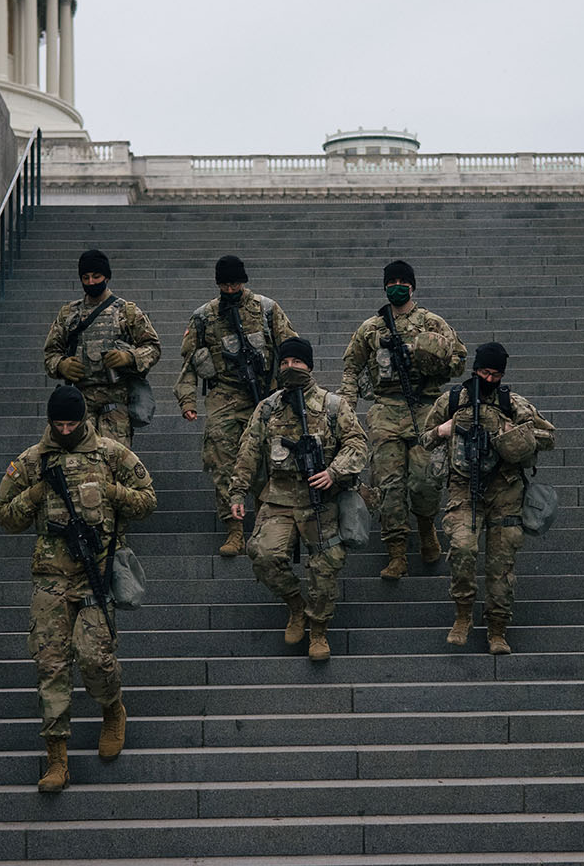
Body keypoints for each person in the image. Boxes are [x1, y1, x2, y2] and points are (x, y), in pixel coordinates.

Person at [0, 385, 157, 793]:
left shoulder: (111, 453)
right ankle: (56, 759)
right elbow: (3, 516)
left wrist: (112, 493)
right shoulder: (32, 460)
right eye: (58, 423)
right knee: (50, 664)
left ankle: (112, 708)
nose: (65, 430)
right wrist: (36, 493)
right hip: (50, 576)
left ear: (83, 418)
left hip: (95, 571)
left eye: (72, 422)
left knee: (94, 656)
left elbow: (148, 498)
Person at [229, 337, 368, 661]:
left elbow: (357, 445)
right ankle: (296, 606)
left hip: (321, 498)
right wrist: (237, 491)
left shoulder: (334, 405)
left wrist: (334, 471)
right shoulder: (268, 407)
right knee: (262, 553)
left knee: (326, 563)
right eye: (286, 362)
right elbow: (248, 452)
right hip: (279, 495)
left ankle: (318, 630)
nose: (291, 368)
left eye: (297, 363)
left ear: (310, 366)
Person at [419, 342, 556, 654]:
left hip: (505, 491)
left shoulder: (513, 403)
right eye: (484, 372)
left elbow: (549, 437)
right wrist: (444, 430)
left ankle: (497, 629)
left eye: (496, 373)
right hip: (463, 489)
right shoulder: (452, 400)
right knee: (463, 550)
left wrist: (514, 432)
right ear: (475, 369)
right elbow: (424, 439)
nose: (490, 379)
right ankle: (463, 615)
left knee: (501, 566)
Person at [340, 259, 466, 580]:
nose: (396, 286)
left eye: (402, 281)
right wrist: (345, 409)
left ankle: (426, 527)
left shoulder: (431, 322)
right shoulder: (371, 328)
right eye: (391, 281)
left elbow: (458, 360)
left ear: (412, 285)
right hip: (385, 410)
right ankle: (396, 552)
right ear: (384, 286)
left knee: (425, 478)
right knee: (389, 483)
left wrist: (428, 357)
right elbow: (352, 367)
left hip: (425, 408)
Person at [174, 255, 299, 556]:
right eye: (225, 284)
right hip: (224, 395)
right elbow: (189, 363)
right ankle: (234, 529)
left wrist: (294, 390)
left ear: (244, 281)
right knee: (222, 459)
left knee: (269, 460)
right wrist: (187, 399)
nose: (230, 289)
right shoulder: (204, 317)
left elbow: (291, 348)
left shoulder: (267, 309)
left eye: (235, 283)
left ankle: (265, 525)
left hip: (264, 394)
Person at [42, 248, 161, 446]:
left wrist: (129, 357)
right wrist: (61, 365)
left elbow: (153, 348)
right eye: (86, 277)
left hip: (116, 403)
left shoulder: (127, 312)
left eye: (96, 276)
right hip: (79, 404)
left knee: (114, 464)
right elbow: (50, 353)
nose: (91, 282)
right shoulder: (68, 314)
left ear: (107, 276)